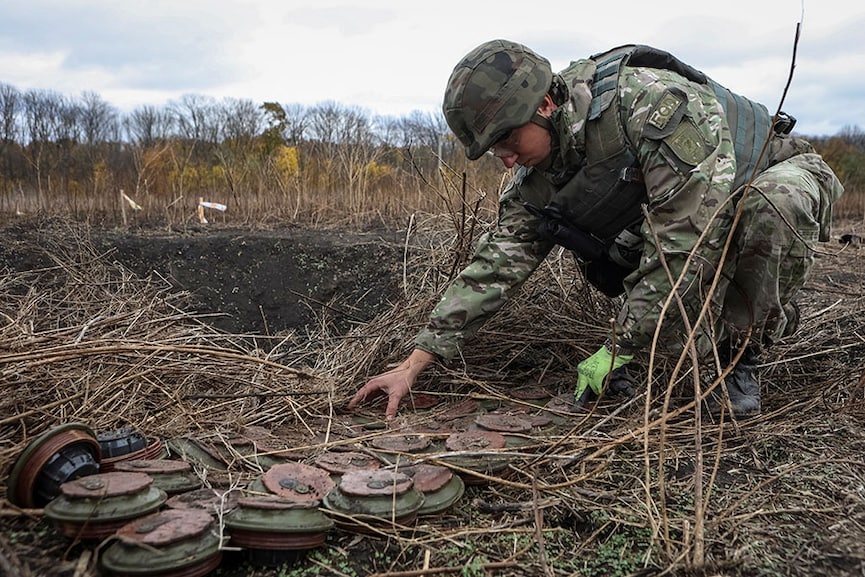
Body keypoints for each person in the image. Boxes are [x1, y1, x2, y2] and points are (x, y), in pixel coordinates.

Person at [349, 39, 844, 421]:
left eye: (505, 138)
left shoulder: (651, 106)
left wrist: (617, 350)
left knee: (771, 207)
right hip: (689, 212)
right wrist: (415, 362)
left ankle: (740, 354)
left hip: (767, 175)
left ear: (544, 105)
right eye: (490, 149)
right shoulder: (532, 180)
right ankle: (678, 344)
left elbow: (685, 247)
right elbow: (494, 267)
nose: (504, 158)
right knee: (620, 253)